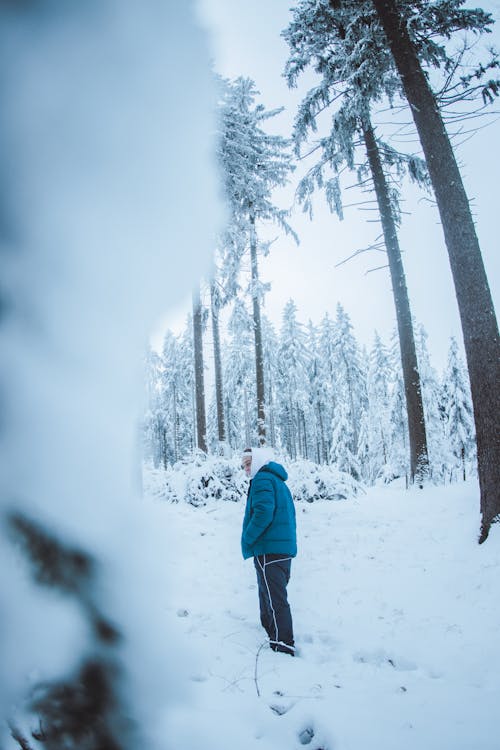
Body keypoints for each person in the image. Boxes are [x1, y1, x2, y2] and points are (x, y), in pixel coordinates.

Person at [240, 447, 297, 656]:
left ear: (258, 461)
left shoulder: (263, 480)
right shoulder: (277, 481)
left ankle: (283, 644)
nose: (246, 469)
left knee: (274, 598)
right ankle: (272, 633)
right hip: (281, 548)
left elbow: (264, 512)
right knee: (271, 595)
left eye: (248, 463)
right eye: (244, 465)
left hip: (270, 549)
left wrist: (248, 536)